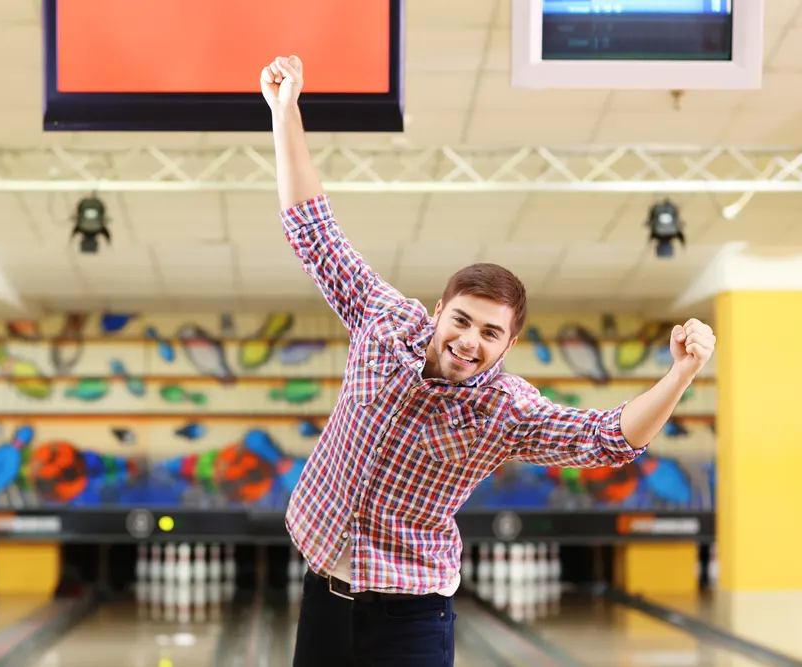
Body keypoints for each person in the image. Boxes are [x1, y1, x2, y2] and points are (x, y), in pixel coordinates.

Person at [260, 55, 717, 667]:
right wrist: (285, 111)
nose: (469, 341)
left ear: (508, 345)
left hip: (411, 613)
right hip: (325, 595)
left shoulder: (505, 408)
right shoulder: (383, 320)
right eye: (462, 321)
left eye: (490, 333)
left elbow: (607, 438)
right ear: (439, 309)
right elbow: (312, 230)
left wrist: (681, 373)